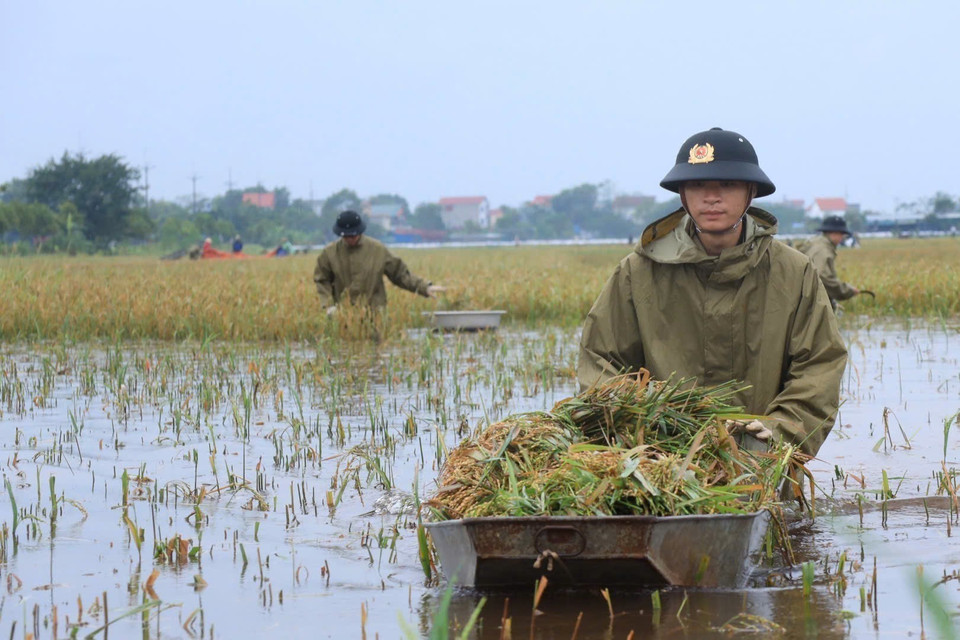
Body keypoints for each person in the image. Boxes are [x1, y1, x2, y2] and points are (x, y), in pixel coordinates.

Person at [578, 127, 847, 457]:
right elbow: (601, 363)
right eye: (697, 185)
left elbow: (819, 366)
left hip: (762, 458)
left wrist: (780, 430)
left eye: (728, 184)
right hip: (661, 459)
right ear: (682, 195)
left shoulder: (794, 272)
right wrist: (641, 426)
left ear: (750, 192)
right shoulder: (638, 272)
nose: (712, 196)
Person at [314, 210, 445, 314]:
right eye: (346, 236)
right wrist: (328, 305)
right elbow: (322, 279)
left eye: (353, 235)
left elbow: (400, 274)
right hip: (343, 315)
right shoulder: (329, 254)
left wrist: (423, 287)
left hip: (374, 315)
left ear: (359, 231)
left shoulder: (377, 250)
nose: (350, 239)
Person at [800, 216, 859, 310]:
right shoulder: (823, 250)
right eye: (841, 234)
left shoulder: (815, 243)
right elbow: (822, 278)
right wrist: (847, 291)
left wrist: (832, 302)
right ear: (834, 233)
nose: (842, 238)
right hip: (809, 303)